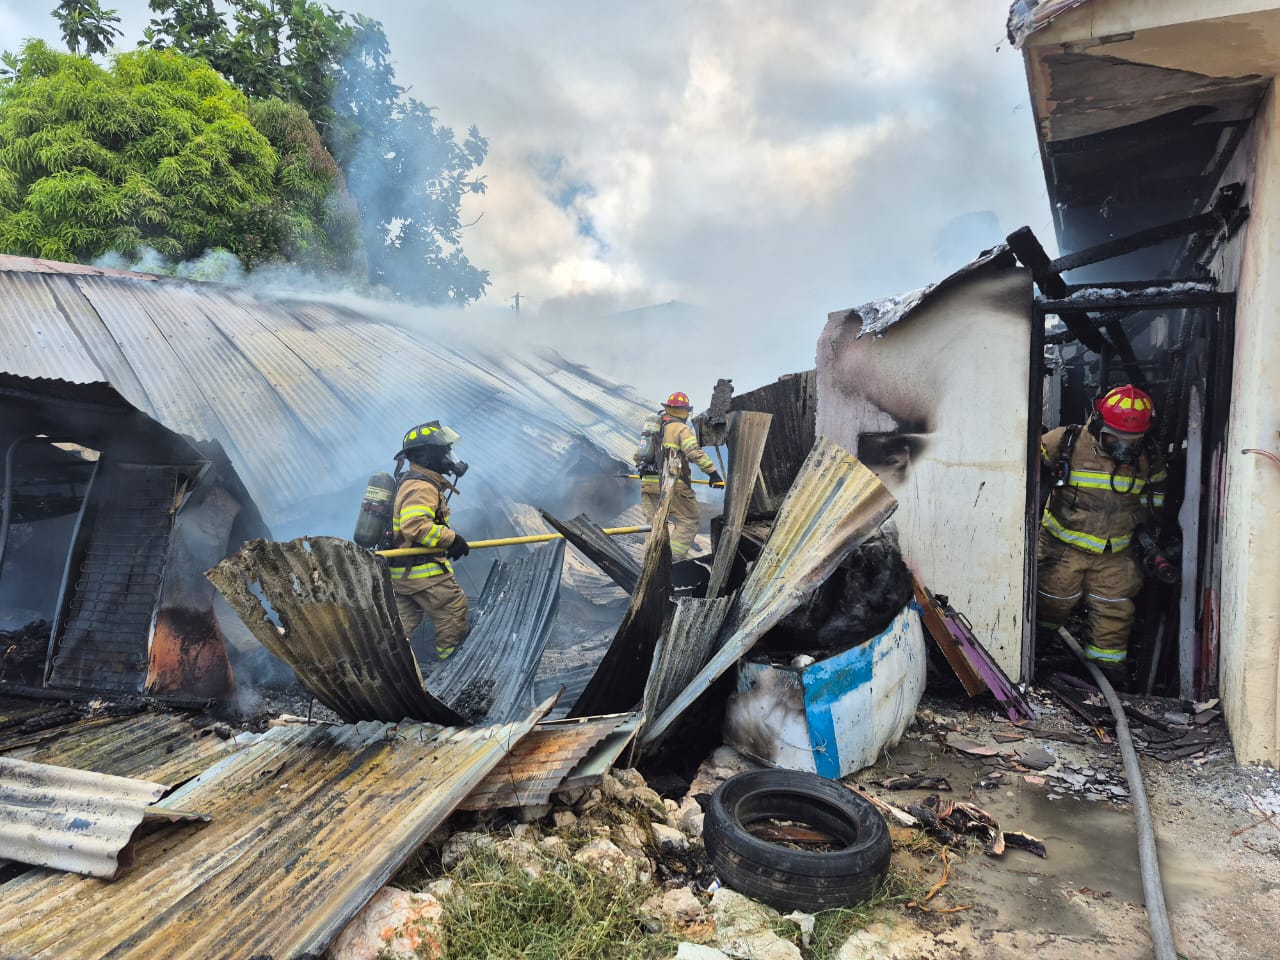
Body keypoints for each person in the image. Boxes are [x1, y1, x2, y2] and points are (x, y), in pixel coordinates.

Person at [1036, 384, 1167, 684]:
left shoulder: (1148, 456)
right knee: (1050, 601)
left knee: (1115, 613)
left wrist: (1147, 519)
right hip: (1062, 548)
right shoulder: (1065, 441)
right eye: (1114, 438)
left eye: (1131, 441)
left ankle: (1106, 676)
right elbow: (1025, 467)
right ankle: (1037, 648)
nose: (1123, 447)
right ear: (1097, 424)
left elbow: (1158, 491)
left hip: (1116, 554)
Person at [387, 421, 472, 660]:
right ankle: (452, 666)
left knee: (399, 626)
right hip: (422, 573)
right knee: (451, 610)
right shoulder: (421, 486)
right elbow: (415, 526)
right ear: (424, 456)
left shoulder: (415, 481)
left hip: (402, 572)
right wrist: (451, 539)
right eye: (443, 450)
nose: (449, 455)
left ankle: (388, 668)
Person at [636, 391, 723, 559]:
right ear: (685, 411)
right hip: (673, 484)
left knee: (654, 525)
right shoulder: (681, 429)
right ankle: (673, 559)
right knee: (689, 520)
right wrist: (713, 473)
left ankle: (650, 560)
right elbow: (694, 453)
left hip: (648, 482)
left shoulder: (653, 428)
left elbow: (639, 455)